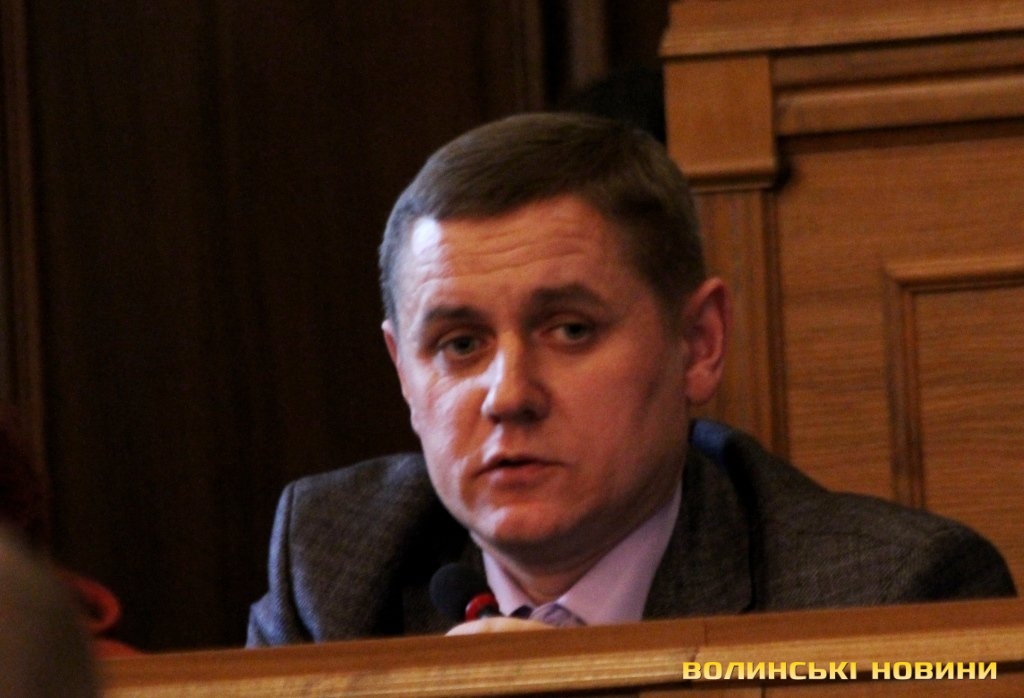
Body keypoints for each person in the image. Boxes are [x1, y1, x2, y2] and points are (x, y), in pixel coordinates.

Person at [247, 112, 1015, 645]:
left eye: (570, 330)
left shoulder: (888, 598)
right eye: (460, 345)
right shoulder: (335, 566)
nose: (509, 395)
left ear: (699, 344)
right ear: (404, 375)